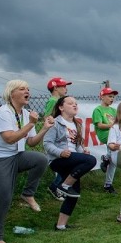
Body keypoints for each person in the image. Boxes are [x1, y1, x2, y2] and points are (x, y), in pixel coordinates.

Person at [0, 80, 54, 243]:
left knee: (40, 159)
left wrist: (44, 128)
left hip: (15, 156)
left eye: (28, 88)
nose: (27, 91)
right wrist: (31, 124)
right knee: (4, 195)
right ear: (11, 93)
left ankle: (28, 194)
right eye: (22, 89)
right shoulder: (2, 112)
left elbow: (32, 142)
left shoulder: (26, 114)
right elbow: (9, 138)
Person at [44, 96, 97, 230]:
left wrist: (82, 151)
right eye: (70, 103)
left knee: (74, 193)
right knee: (92, 161)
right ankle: (65, 185)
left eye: (76, 103)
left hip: (71, 159)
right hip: (58, 160)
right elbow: (47, 144)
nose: (75, 105)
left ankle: (60, 225)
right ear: (61, 107)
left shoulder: (76, 124)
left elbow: (76, 145)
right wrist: (60, 152)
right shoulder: (55, 123)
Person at [94, 86, 119, 194]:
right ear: (102, 97)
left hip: (114, 134)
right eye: (109, 96)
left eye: (113, 97)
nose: (112, 98)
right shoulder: (98, 110)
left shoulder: (114, 110)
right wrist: (113, 126)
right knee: (116, 144)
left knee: (114, 160)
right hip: (105, 134)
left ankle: (108, 184)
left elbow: (119, 123)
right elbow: (99, 125)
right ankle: (106, 157)